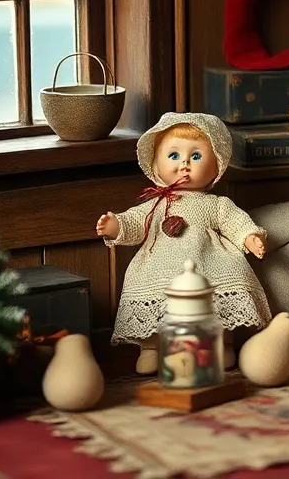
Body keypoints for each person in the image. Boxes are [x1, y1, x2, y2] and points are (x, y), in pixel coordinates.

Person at [96, 112, 271, 373]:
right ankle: (152, 348)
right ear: (156, 165)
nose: (185, 164)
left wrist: (249, 237)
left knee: (217, 300)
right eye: (174, 155)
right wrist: (116, 226)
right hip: (160, 266)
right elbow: (136, 222)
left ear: (216, 167)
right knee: (153, 297)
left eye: (196, 156)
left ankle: (221, 345)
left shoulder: (215, 204)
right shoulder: (156, 204)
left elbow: (235, 221)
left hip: (208, 261)